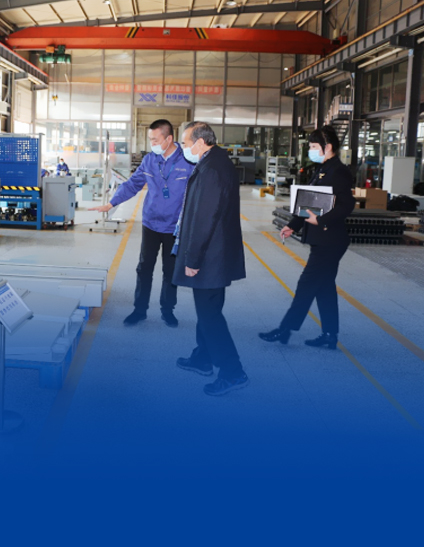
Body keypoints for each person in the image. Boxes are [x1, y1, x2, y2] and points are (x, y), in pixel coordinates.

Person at [90, 119, 194, 327]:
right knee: (144, 268)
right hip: (151, 224)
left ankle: (167, 310)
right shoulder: (149, 160)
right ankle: (139, 310)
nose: (151, 143)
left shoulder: (187, 161)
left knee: (170, 271)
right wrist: (111, 203)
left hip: (175, 227)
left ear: (169, 139)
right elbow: (132, 185)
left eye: (155, 139)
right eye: (150, 139)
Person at [259, 125, 355, 349]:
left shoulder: (338, 171)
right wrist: (292, 225)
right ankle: (330, 335)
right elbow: (309, 203)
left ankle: (285, 330)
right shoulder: (322, 169)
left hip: (330, 240)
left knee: (306, 284)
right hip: (323, 240)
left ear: (327, 147)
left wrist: (321, 221)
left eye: (313, 146)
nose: (310, 150)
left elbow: (346, 205)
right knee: (324, 288)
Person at [173, 121, 249, 396]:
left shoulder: (212, 170)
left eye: (185, 143)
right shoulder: (214, 163)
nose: (183, 148)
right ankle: (202, 358)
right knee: (207, 310)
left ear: (200, 142)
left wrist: (193, 259)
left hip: (209, 255)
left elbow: (205, 219)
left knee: (210, 315)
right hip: (215, 252)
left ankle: (233, 372)